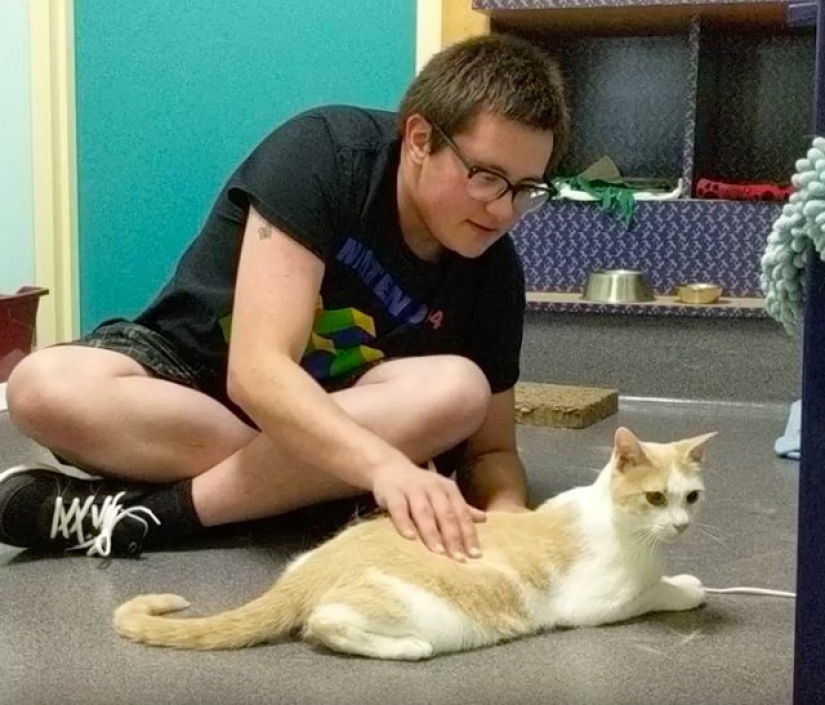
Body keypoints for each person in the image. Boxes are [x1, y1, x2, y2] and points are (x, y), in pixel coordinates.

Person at [0, 33, 568, 561]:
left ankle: (152, 515)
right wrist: (379, 465)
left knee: (459, 391)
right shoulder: (325, 153)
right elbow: (257, 371)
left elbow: (491, 452)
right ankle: (304, 495)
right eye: (486, 176)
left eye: (527, 189)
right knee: (40, 386)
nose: (502, 210)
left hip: (342, 411)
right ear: (420, 139)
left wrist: (510, 516)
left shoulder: (493, 271)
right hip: (189, 380)